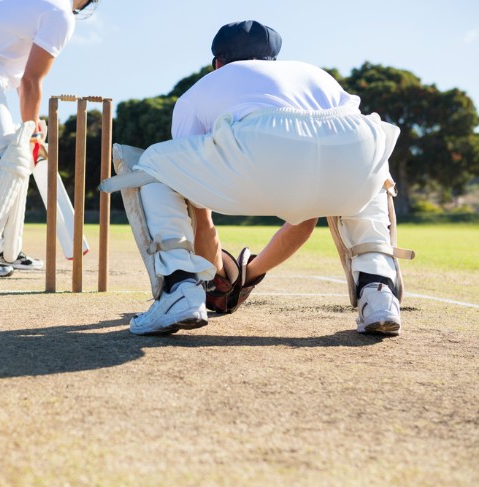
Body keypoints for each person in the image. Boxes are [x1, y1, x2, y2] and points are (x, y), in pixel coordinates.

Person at [110, 20, 413, 337]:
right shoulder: (314, 76)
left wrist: (214, 276)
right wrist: (249, 274)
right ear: (274, 62)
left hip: (255, 142)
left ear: (218, 63)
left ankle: (179, 288)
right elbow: (305, 221)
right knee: (371, 171)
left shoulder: (201, 90)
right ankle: (378, 293)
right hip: (354, 139)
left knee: (154, 164)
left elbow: (200, 214)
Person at [0, 0, 100, 277]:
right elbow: (30, 80)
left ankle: (5, 249)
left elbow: (21, 78)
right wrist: (31, 127)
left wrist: (32, 123)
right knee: (1, 154)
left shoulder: (46, 6)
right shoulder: (61, 15)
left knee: (17, 155)